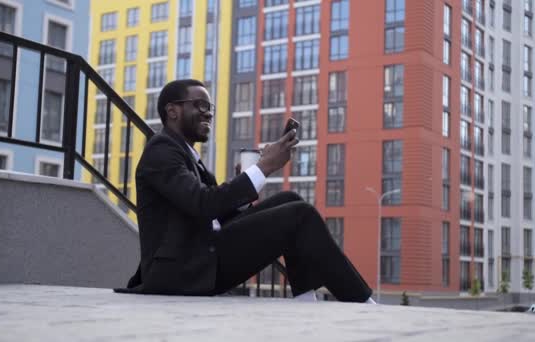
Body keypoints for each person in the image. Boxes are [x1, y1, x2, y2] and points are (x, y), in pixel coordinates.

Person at [123, 79, 375, 303]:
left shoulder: (186, 154)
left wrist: (245, 177)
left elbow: (215, 212)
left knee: (290, 200)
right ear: (172, 111)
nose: (208, 114)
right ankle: (361, 302)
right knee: (300, 214)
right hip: (184, 270)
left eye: (210, 108)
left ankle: (305, 296)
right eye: (200, 105)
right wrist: (263, 168)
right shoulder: (161, 151)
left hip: (205, 254)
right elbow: (202, 204)